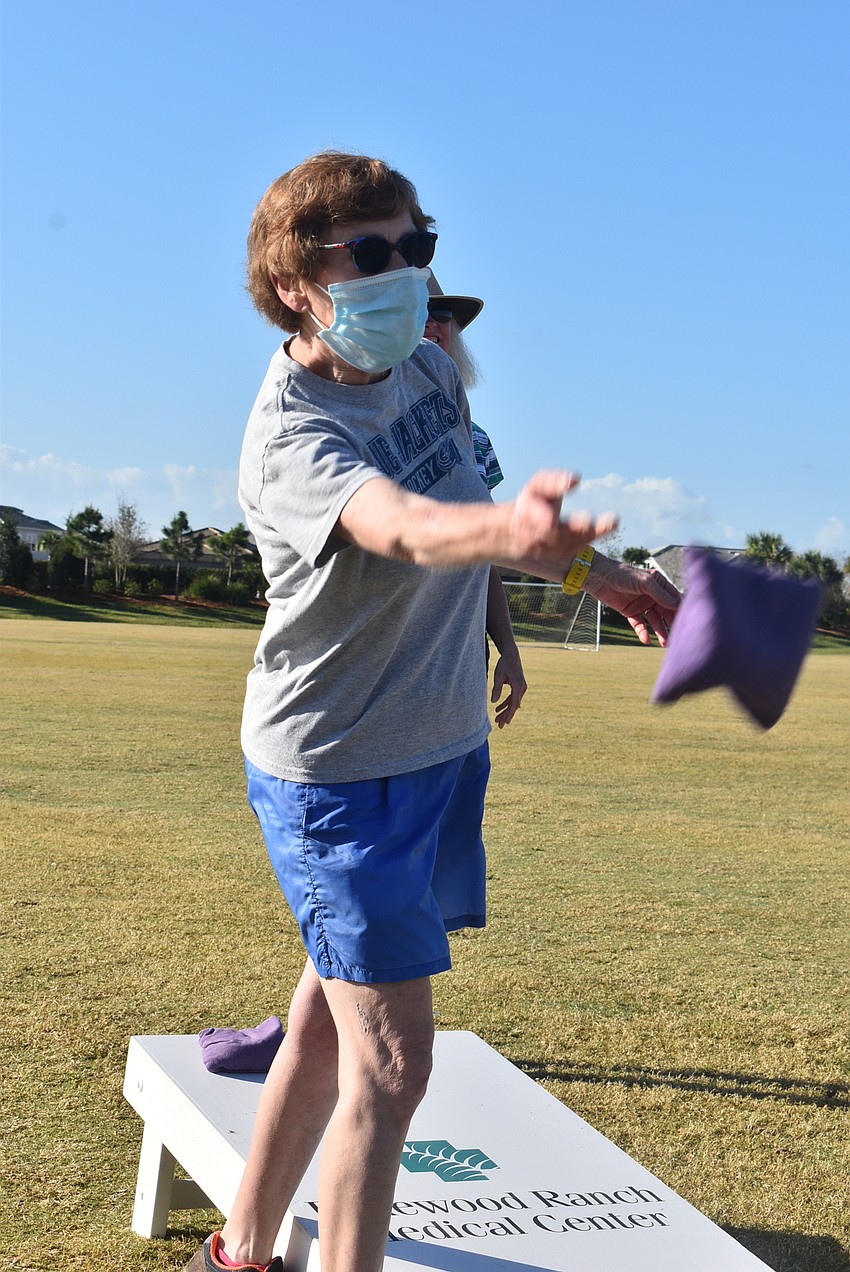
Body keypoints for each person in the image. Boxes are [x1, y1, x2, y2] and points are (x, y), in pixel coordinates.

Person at [187, 150, 680, 1272]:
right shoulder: (289, 438)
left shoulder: (425, 367)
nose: (404, 273)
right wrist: (515, 537)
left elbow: (464, 506)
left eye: (418, 246)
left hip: (440, 743)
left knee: (323, 1026)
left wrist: (600, 581)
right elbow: (406, 526)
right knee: (395, 1066)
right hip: (339, 778)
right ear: (295, 285)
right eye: (371, 254)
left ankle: (239, 1252)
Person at [424, 286, 527, 726]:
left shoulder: (477, 438)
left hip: (465, 664)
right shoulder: (359, 419)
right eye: (416, 312)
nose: (432, 323)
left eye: (443, 315)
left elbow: (481, 558)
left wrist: (507, 646)